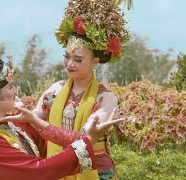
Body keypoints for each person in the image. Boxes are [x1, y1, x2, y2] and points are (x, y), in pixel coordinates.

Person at [0, 39, 125, 180]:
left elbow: (45, 143)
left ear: (95, 61)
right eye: (11, 87)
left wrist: (32, 120)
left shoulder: (11, 124)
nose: (16, 91)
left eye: (78, 59)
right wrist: (88, 140)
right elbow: (38, 172)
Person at [32, 0, 130, 179]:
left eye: (78, 59)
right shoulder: (54, 91)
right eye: (66, 56)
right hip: (58, 166)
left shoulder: (106, 98)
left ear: (95, 61)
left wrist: (38, 123)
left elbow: (83, 140)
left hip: (95, 171)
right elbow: (31, 123)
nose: (69, 64)